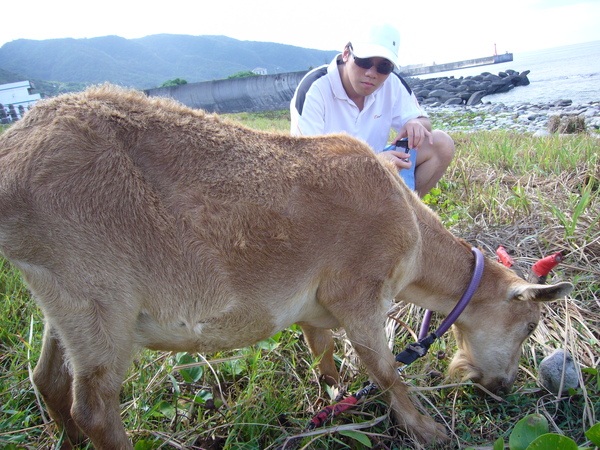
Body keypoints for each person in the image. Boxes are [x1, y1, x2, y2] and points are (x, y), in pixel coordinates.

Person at [290, 24, 455, 198]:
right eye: (364, 61)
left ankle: (410, 212)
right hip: (330, 182)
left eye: (383, 66)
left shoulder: (392, 82)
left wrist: (415, 122)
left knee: (441, 144)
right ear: (346, 54)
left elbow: (424, 122)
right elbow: (306, 165)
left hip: (377, 167)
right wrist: (373, 164)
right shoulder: (315, 88)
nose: (371, 73)